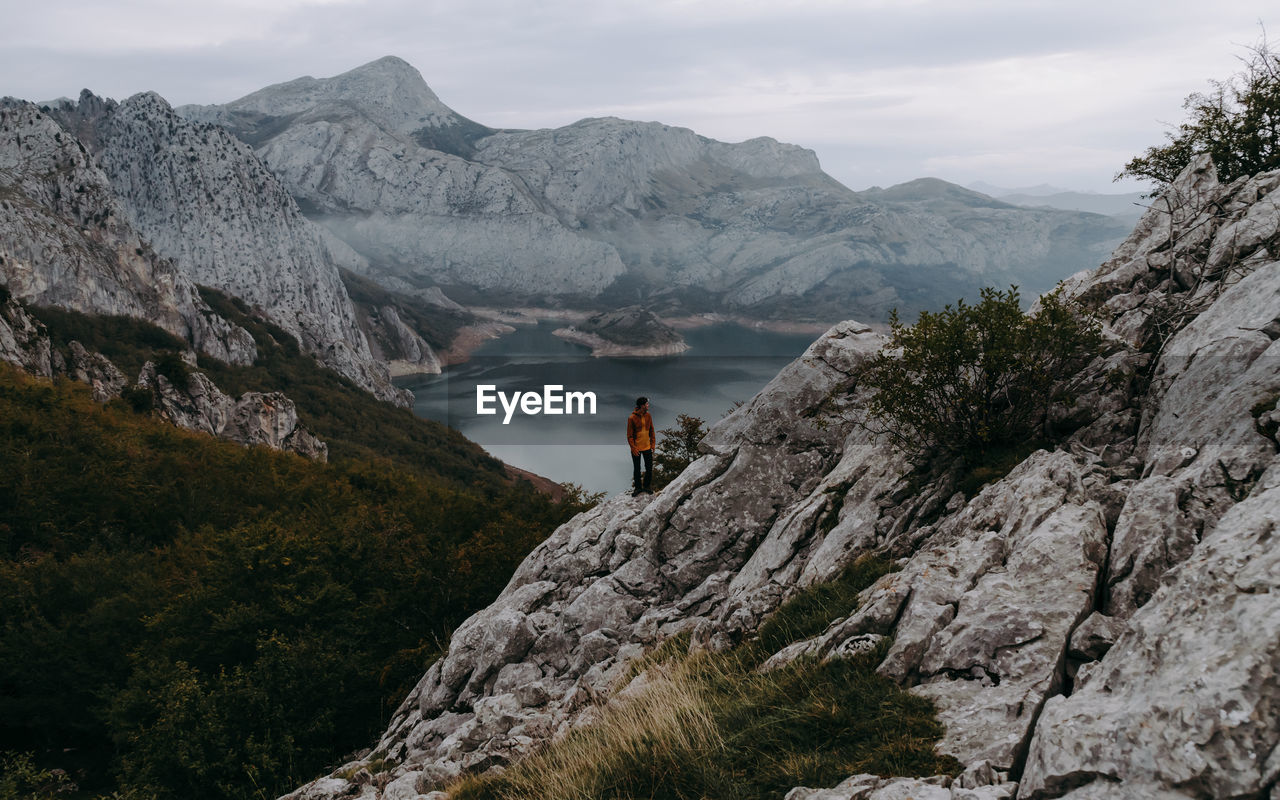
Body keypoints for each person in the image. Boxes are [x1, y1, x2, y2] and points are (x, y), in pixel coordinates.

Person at [627, 396, 655, 496]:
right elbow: (629, 436)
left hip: (647, 446)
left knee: (649, 468)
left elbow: (651, 431)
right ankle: (638, 488)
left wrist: (652, 444)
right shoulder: (632, 418)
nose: (648, 405)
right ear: (642, 405)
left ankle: (647, 487)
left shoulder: (648, 416)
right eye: (647, 404)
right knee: (637, 468)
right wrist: (633, 448)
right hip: (637, 448)